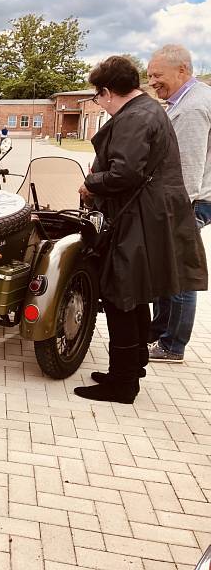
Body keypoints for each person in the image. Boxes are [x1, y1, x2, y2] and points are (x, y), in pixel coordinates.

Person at [74, 55, 207, 404]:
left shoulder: (134, 117)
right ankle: (131, 366)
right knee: (133, 294)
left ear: (107, 92)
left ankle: (122, 383)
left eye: (98, 96)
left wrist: (91, 183)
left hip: (140, 216)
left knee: (120, 293)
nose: (100, 104)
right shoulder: (148, 109)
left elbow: (125, 173)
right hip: (149, 214)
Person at [146, 44, 211, 362]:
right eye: (149, 76)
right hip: (185, 200)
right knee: (166, 268)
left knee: (180, 274)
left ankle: (173, 345)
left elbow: (187, 166)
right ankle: (158, 330)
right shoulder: (186, 100)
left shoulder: (192, 108)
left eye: (157, 75)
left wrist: (177, 210)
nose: (152, 82)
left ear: (182, 70)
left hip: (187, 202)